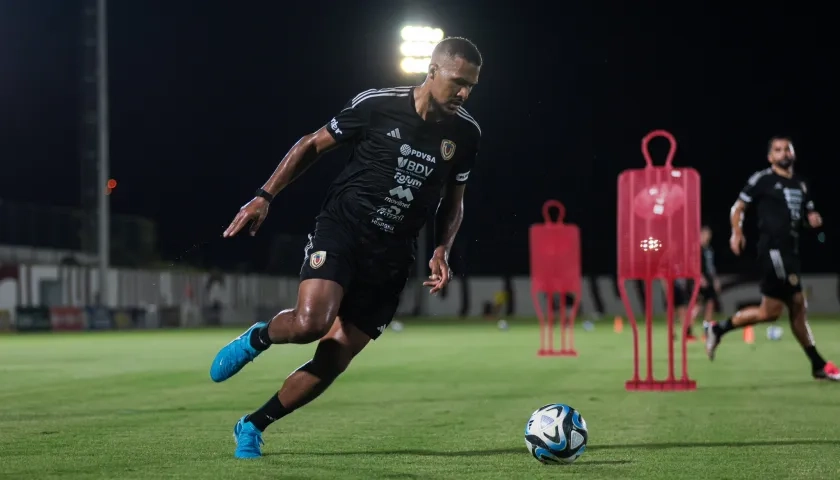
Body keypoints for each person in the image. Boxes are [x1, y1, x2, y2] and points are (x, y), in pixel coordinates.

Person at [209, 37, 484, 458]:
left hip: (393, 255)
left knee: (334, 359)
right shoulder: (377, 104)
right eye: (458, 82)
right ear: (432, 72)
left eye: (471, 86)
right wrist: (265, 196)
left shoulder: (466, 133)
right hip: (343, 230)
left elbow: (454, 201)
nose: (464, 93)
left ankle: (253, 424)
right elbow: (310, 145)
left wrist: (442, 249)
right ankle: (259, 337)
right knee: (309, 324)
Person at [705, 136, 839, 381]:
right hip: (773, 251)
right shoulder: (763, 179)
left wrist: (813, 219)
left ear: (794, 153)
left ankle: (718, 329)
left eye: (787, 148)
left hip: (792, 251)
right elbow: (738, 207)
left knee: (781, 310)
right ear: (770, 157)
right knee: (791, 303)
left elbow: (808, 213)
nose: (783, 153)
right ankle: (818, 364)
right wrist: (736, 233)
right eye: (777, 150)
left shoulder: (801, 184)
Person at [698, 226, 721, 327]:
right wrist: (700, 277)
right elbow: (695, 264)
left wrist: (715, 280)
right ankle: (688, 329)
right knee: (698, 305)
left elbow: (711, 267)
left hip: (709, 279)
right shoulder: (697, 248)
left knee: (710, 303)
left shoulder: (709, 249)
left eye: (708, 234)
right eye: (705, 234)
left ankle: (707, 327)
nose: (707, 236)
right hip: (700, 279)